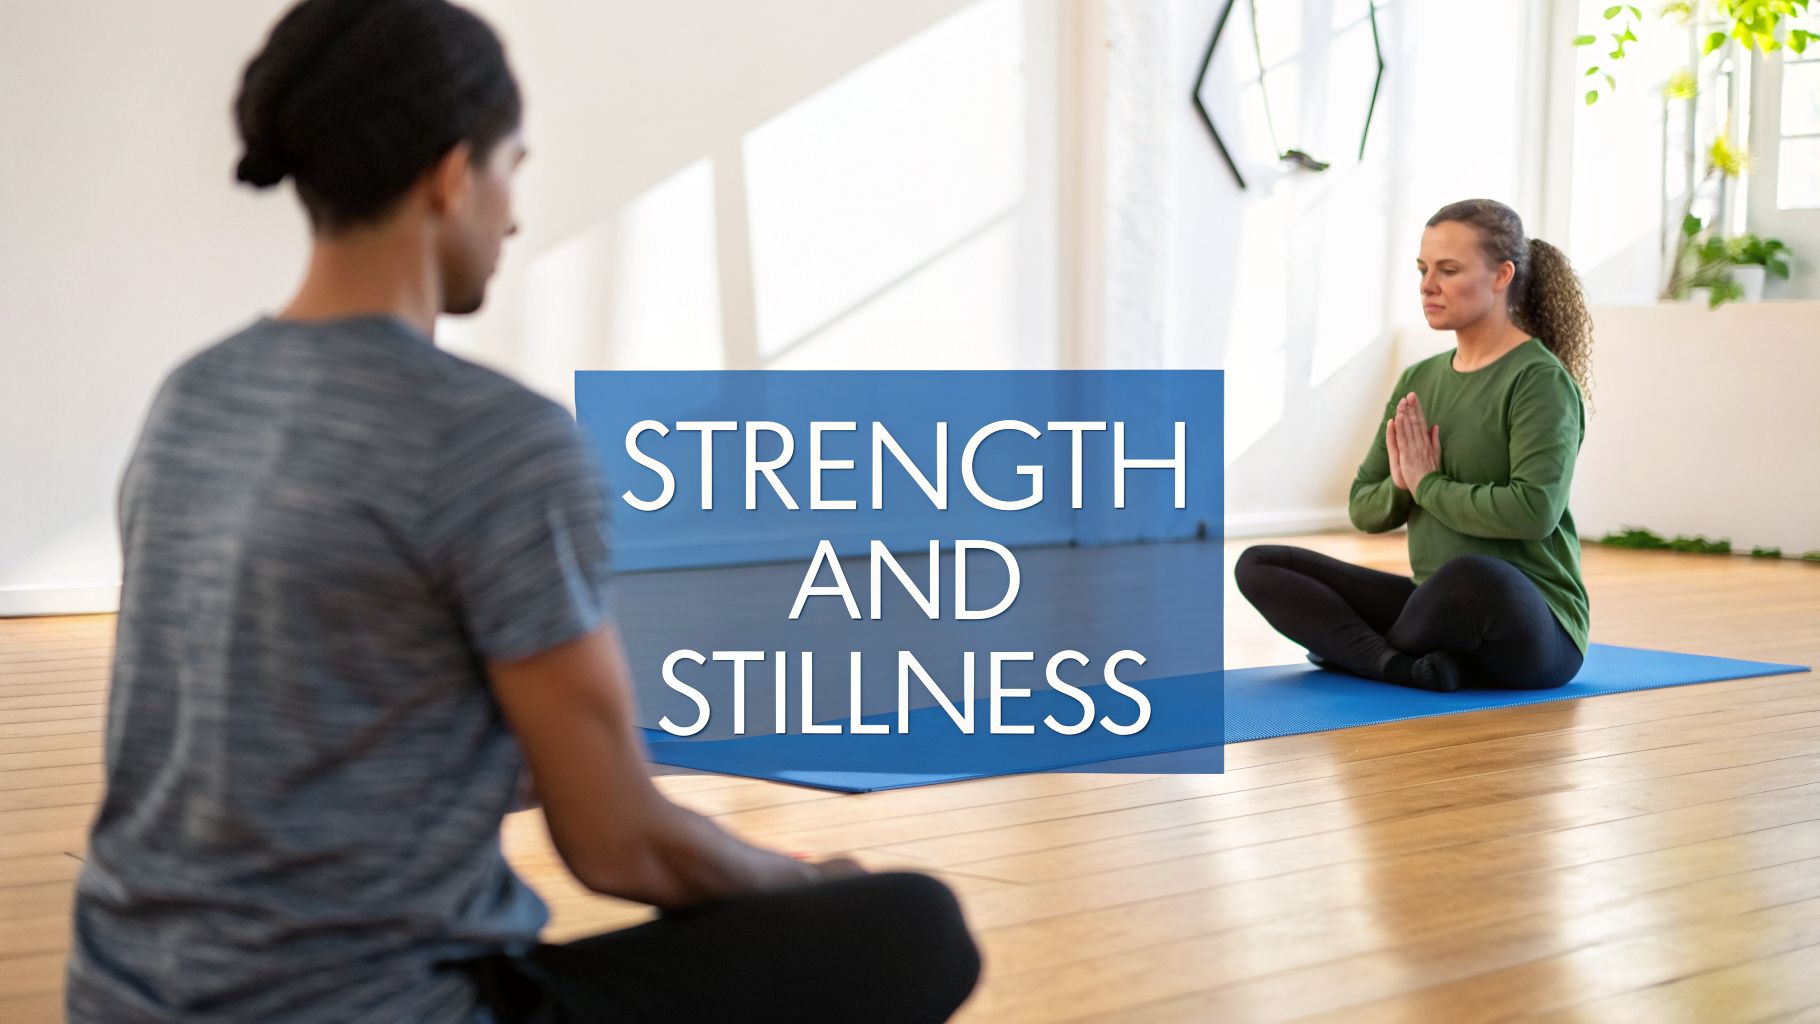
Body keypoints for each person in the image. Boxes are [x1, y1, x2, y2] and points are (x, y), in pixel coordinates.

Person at [64, 1, 980, 1021]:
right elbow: (619, 848)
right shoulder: (489, 437)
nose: (513, 216)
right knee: (912, 925)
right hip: (368, 1007)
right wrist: (809, 879)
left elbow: (271, 753)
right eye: (513, 171)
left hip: (123, 993)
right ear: (454, 175)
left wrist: (578, 747)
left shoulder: (195, 395)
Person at [1234, 198, 1592, 693]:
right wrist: (1403, 486)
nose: (1427, 285)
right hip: (1435, 605)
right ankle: (1399, 665)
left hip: (1530, 624)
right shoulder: (1419, 379)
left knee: (1473, 577)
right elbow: (1365, 508)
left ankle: (1355, 651)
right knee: (1261, 565)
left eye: (1448, 270)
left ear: (1501, 275)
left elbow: (1533, 511)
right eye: (1423, 269)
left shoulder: (1538, 380)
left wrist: (1428, 484)